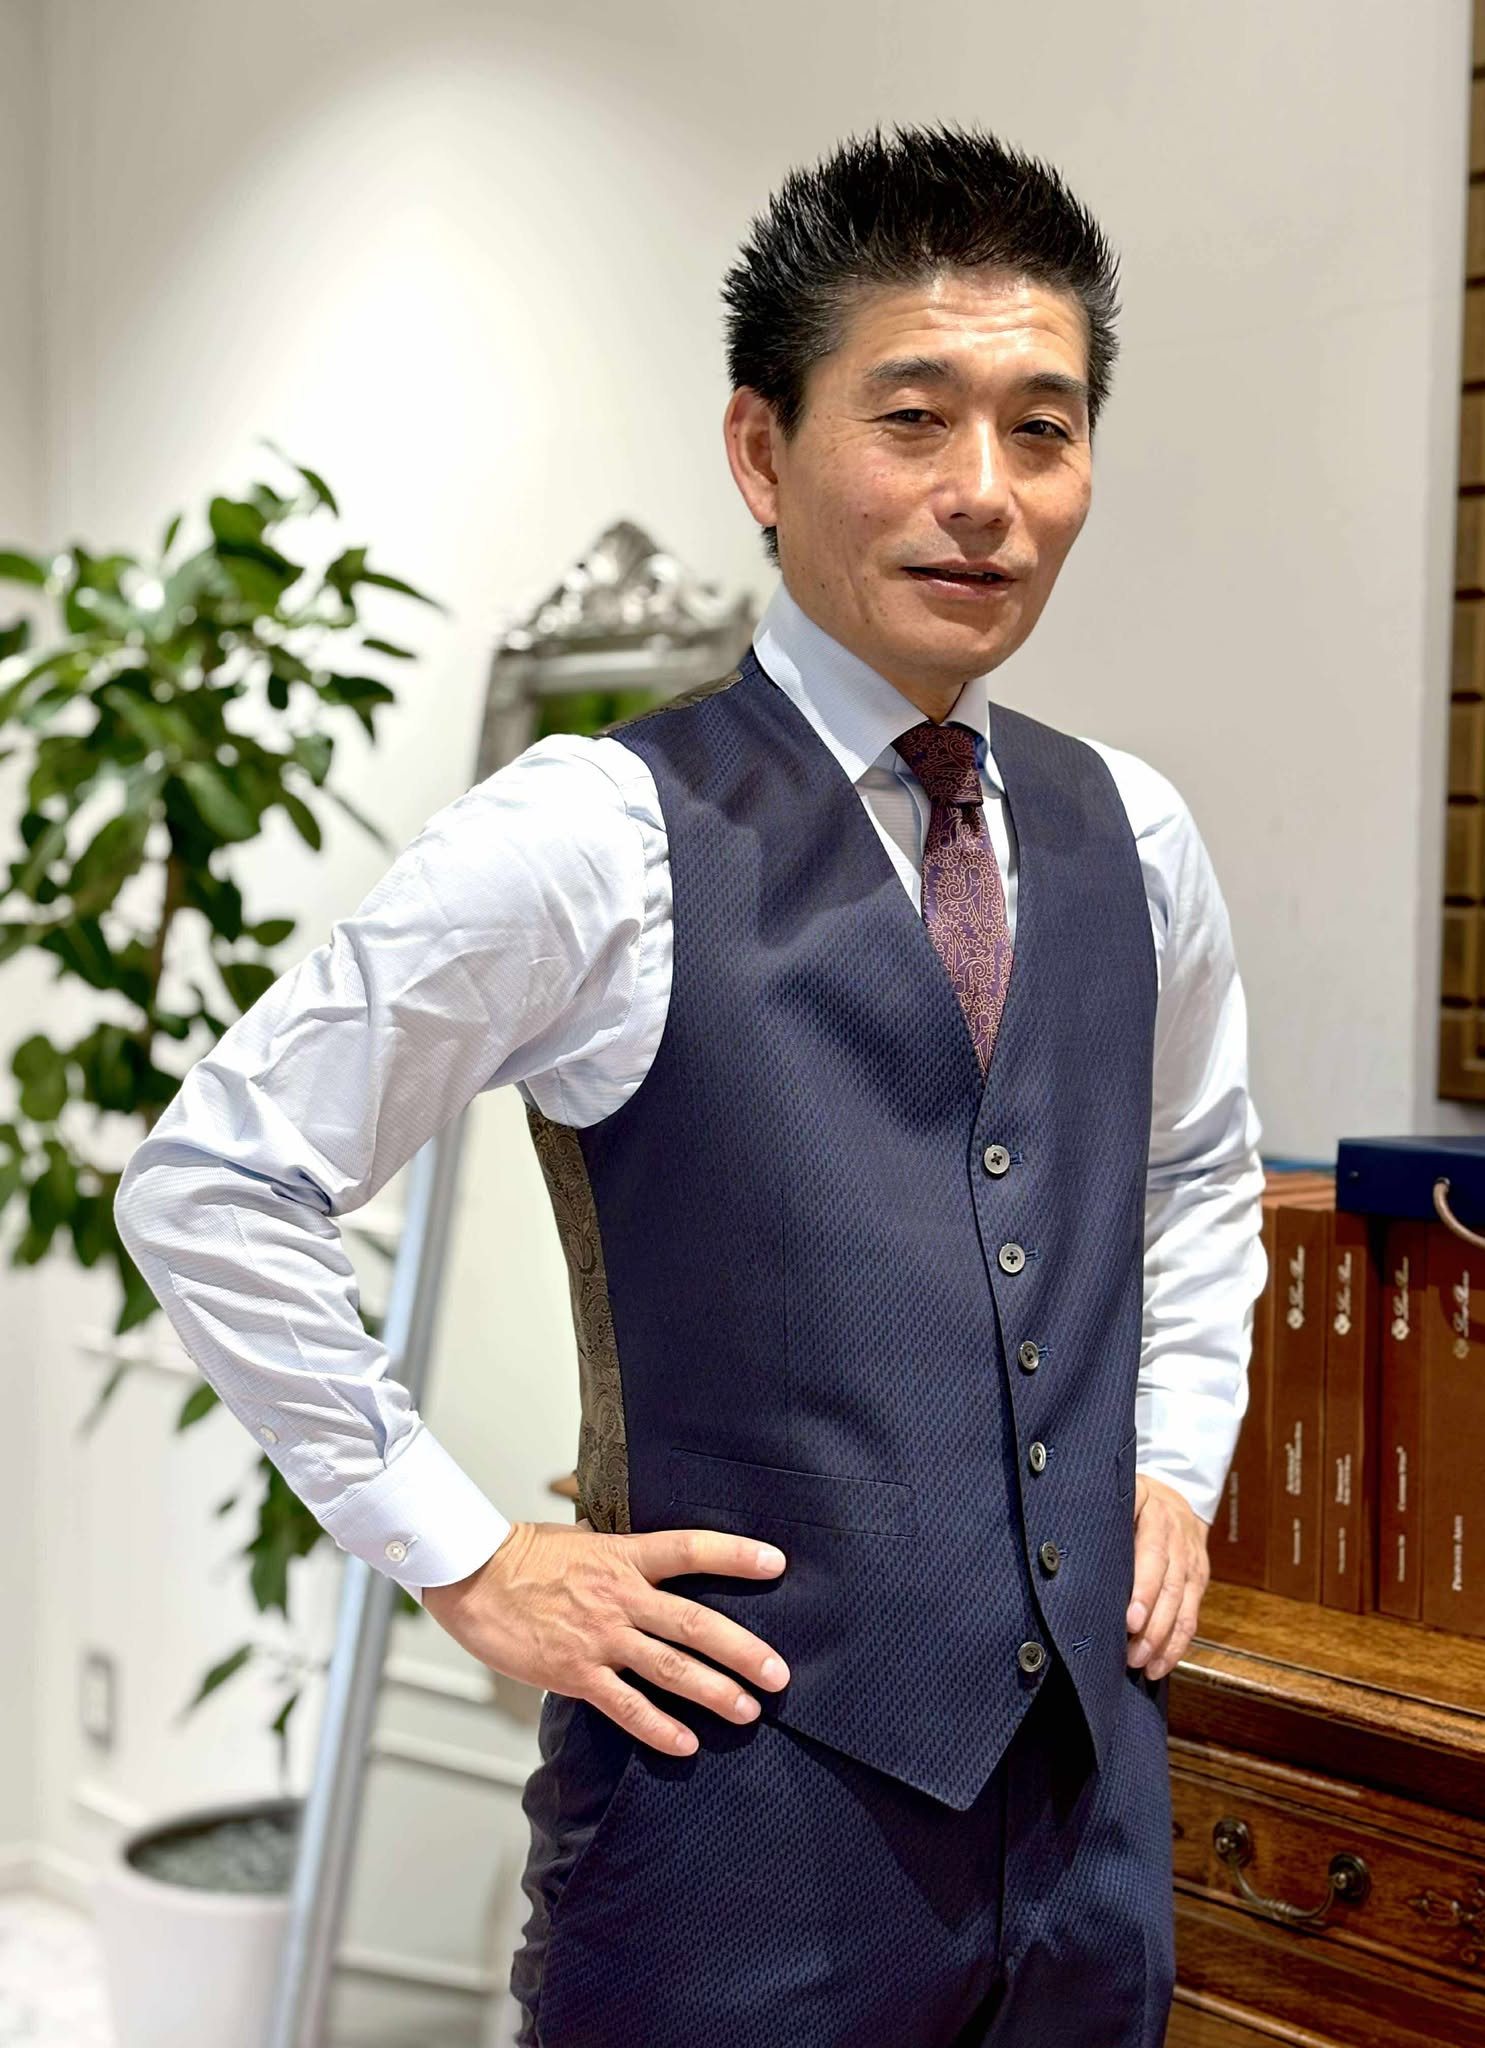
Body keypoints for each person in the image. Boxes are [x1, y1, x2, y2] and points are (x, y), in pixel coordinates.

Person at [115, 121, 1266, 2047]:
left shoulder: (1133, 835)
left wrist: (1175, 1456)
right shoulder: (595, 833)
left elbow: (1201, 1172)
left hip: (1090, 1833)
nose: (985, 495)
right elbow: (215, 1182)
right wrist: (468, 1556)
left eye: (1042, 431)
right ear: (761, 449)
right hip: (736, 1840)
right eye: (916, 418)